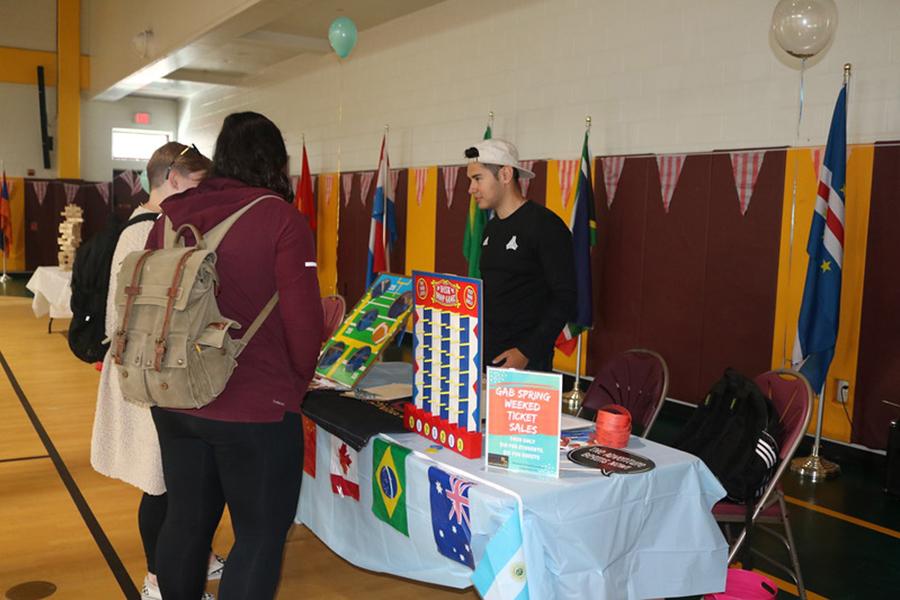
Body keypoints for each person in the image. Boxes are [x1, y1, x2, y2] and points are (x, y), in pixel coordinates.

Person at [146, 112, 324, 600]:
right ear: (275, 162)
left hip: (174, 398)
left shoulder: (169, 217)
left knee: (185, 523)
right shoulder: (281, 218)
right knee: (259, 539)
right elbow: (305, 327)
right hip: (255, 408)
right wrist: (298, 383)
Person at [90, 142, 223, 600]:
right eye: (197, 184)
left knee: (183, 479)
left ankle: (196, 558)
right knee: (160, 482)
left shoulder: (163, 226)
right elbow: (119, 315)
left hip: (166, 370)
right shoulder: (141, 233)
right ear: (173, 178)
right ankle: (157, 580)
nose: (202, 194)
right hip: (147, 373)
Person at [464, 138, 576, 372]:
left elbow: (566, 297)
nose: (471, 189)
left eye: (478, 179)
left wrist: (527, 351)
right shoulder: (491, 228)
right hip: (487, 356)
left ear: (504, 175)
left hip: (527, 364)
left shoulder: (545, 225)